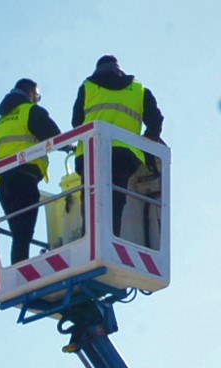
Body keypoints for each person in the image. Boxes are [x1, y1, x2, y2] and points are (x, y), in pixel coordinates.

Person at [71, 55, 163, 235]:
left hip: (92, 151)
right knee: (116, 198)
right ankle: (110, 238)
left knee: (91, 199)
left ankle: (89, 239)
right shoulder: (138, 89)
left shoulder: (87, 87)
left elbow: (76, 122)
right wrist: (148, 140)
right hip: (124, 155)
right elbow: (155, 120)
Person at [0, 78, 59, 263]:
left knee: (19, 234)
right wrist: (70, 147)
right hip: (25, 179)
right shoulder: (29, 111)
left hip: (5, 185)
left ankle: (19, 270)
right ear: (31, 94)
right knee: (24, 232)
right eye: (37, 96)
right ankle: (22, 272)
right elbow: (54, 135)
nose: (37, 100)